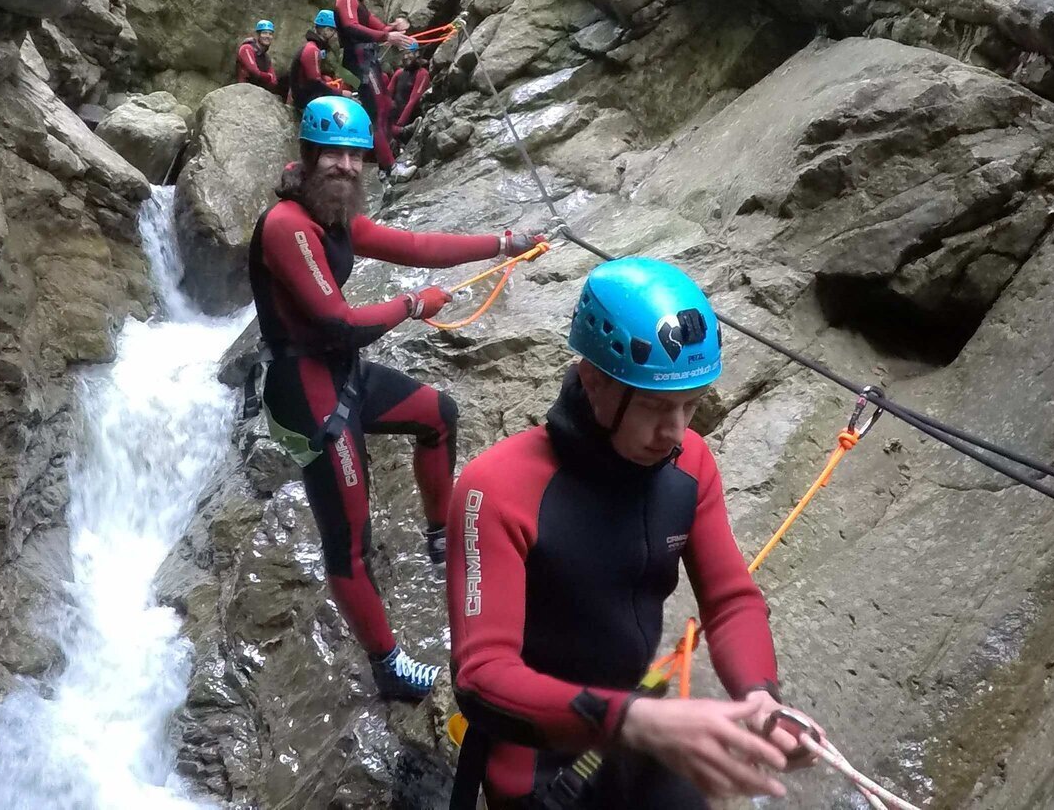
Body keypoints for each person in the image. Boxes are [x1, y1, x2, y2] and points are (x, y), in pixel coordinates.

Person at [446, 257, 808, 809]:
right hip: (537, 755)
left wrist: (760, 698)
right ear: (593, 381)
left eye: (692, 404)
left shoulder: (689, 468)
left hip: (636, 724)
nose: (676, 432)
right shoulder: (495, 488)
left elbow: (731, 600)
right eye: (657, 406)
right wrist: (634, 720)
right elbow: (481, 678)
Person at [252, 96, 546, 702]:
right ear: (308, 157)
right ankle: (387, 665)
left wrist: (503, 243)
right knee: (350, 542)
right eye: (332, 154)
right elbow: (339, 323)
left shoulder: (332, 217)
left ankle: (439, 536)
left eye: (355, 156)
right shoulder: (287, 225)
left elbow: (412, 246)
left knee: (438, 415)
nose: (346, 166)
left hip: (340, 377)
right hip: (307, 394)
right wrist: (412, 307)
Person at [333, 0, 412, 125]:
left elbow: (382, 29)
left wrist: (397, 26)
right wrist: (387, 37)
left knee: (381, 110)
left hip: (365, 62)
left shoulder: (359, 5)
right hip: (359, 63)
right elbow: (351, 27)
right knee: (377, 114)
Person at [372, 41, 433, 180]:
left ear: (417, 54)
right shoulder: (399, 73)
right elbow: (387, 95)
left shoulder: (422, 73)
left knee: (386, 131)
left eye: (408, 53)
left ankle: (400, 135)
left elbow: (413, 100)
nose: (405, 57)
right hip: (395, 120)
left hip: (409, 119)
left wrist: (399, 126)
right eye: (403, 54)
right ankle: (385, 165)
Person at [289, 9, 355, 109]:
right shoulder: (312, 50)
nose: (335, 36)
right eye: (334, 31)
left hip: (305, 94)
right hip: (305, 100)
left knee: (329, 79)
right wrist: (341, 93)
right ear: (327, 31)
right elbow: (315, 83)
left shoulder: (316, 48)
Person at [236, 19, 283, 96]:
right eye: (264, 33)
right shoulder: (246, 48)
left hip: (257, 93)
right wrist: (268, 77)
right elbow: (254, 72)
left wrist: (267, 77)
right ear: (258, 35)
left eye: (270, 34)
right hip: (243, 91)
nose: (268, 36)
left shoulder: (266, 57)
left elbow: (274, 82)